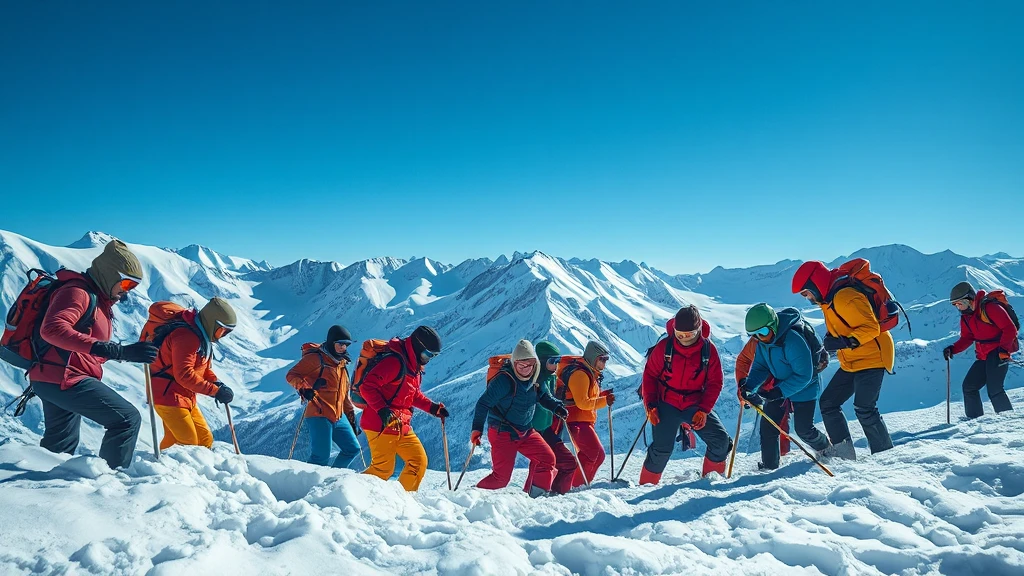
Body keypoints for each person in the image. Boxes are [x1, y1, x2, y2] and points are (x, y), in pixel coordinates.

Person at [29, 239, 158, 469]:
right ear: (110, 274)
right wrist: (116, 350)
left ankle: (45, 496)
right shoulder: (78, 292)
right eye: (127, 283)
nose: (127, 291)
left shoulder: (98, 298)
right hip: (65, 377)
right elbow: (52, 329)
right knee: (126, 419)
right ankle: (109, 488)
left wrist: (127, 352)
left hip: (53, 375)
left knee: (60, 448)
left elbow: (88, 345)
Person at [792, 261, 894, 459]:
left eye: (806, 293)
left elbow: (872, 328)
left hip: (873, 357)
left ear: (814, 284)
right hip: (852, 361)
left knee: (865, 408)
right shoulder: (828, 301)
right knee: (829, 403)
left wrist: (845, 342)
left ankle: (886, 459)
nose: (808, 298)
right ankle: (845, 457)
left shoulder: (846, 296)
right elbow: (843, 327)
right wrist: (829, 347)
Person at [639, 305, 732, 483]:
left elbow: (715, 382)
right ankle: (645, 489)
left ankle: (710, 483)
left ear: (698, 330)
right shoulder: (664, 347)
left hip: (695, 404)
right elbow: (649, 376)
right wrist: (650, 406)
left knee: (720, 442)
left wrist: (704, 410)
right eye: (679, 334)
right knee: (661, 449)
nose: (683, 339)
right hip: (666, 403)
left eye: (688, 335)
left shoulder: (708, 350)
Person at [738, 303, 832, 469]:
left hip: (805, 388)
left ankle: (827, 450)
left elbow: (804, 375)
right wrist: (749, 386)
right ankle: (769, 466)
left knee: (804, 429)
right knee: (768, 427)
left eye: (764, 332)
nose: (760, 337)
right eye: (755, 335)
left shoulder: (793, 340)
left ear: (773, 325)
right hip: (779, 387)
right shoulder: (763, 343)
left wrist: (779, 392)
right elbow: (761, 367)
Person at [471, 340, 568, 496]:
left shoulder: (535, 377)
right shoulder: (504, 380)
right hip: (503, 432)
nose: (525, 369)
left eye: (529, 365)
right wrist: (477, 429)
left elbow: (543, 396)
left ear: (535, 364)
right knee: (501, 479)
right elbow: (483, 404)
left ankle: (535, 498)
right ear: (514, 363)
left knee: (547, 459)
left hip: (525, 430)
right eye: (521, 365)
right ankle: (471, 497)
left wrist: (556, 408)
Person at [360, 325, 447, 491]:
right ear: (418, 346)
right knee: (382, 469)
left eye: (434, 356)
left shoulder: (414, 367)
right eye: (428, 354)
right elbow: (367, 387)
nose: (429, 359)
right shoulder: (394, 362)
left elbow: (413, 395)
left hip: (401, 424)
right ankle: (346, 493)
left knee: (418, 461)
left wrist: (433, 408)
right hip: (380, 423)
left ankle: (404, 502)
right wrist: (382, 409)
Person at [149, 297, 237, 450]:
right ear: (212, 322)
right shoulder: (187, 337)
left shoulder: (200, 336)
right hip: (168, 395)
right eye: (222, 330)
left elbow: (202, 368)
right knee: (188, 443)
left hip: (184, 396)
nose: (223, 336)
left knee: (204, 440)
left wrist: (216, 383)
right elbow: (184, 375)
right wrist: (215, 391)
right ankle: (164, 470)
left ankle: (159, 465)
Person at [286, 325, 361, 467]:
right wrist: (305, 388)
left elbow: (344, 396)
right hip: (319, 414)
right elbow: (291, 375)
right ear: (332, 342)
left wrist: (351, 417)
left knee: (352, 449)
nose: (343, 347)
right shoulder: (316, 359)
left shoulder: (342, 365)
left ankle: (330, 482)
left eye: (346, 345)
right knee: (320, 457)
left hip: (339, 416)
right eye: (340, 344)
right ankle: (308, 486)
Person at [943, 282, 1018, 418]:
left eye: (960, 303)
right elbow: (967, 338)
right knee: (969, 387)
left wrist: (1004, 350)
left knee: (995, 389)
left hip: (998, 351)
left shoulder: (990, 308)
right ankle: (974, 421)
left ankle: (1007, 420)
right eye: (955, 305)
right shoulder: (966, 316)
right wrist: (953, 349)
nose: (958, 307)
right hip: (983, 355)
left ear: (969, 299)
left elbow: (1010, 329)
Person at [523, 341, 578, 495]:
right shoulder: (536, 379)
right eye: (552, 361)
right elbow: (545, 398)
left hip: (546, 428)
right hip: (534, 430)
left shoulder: (550, 378)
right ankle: (550, 495)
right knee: (564, 462)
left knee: (549, 463)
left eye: (558, 361)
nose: (556, 365)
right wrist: (557, 405)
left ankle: (540, 495)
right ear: (541, 361)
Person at [563, 340, 616, 487]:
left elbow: (585, 397)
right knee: (595, 453)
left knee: (594, 454)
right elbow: (582, 403)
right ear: (594, 358)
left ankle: (574, 484)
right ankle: (575, 485)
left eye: (606, 359)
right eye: (602, 359)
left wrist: (603, 395)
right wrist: (605, 400)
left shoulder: (589, 373)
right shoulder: (580, 374)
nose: (605, 363)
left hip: (582, 421)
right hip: (576, 422)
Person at [735, 335, 791, 461]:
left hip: (784, 389)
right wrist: (744, 384)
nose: (760, 335)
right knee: (770, 428)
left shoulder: (787, 340)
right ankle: (773, 464)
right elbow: (744, 360)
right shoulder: (756, 340)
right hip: (765, 389)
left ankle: (781, 460)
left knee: (782, 424)